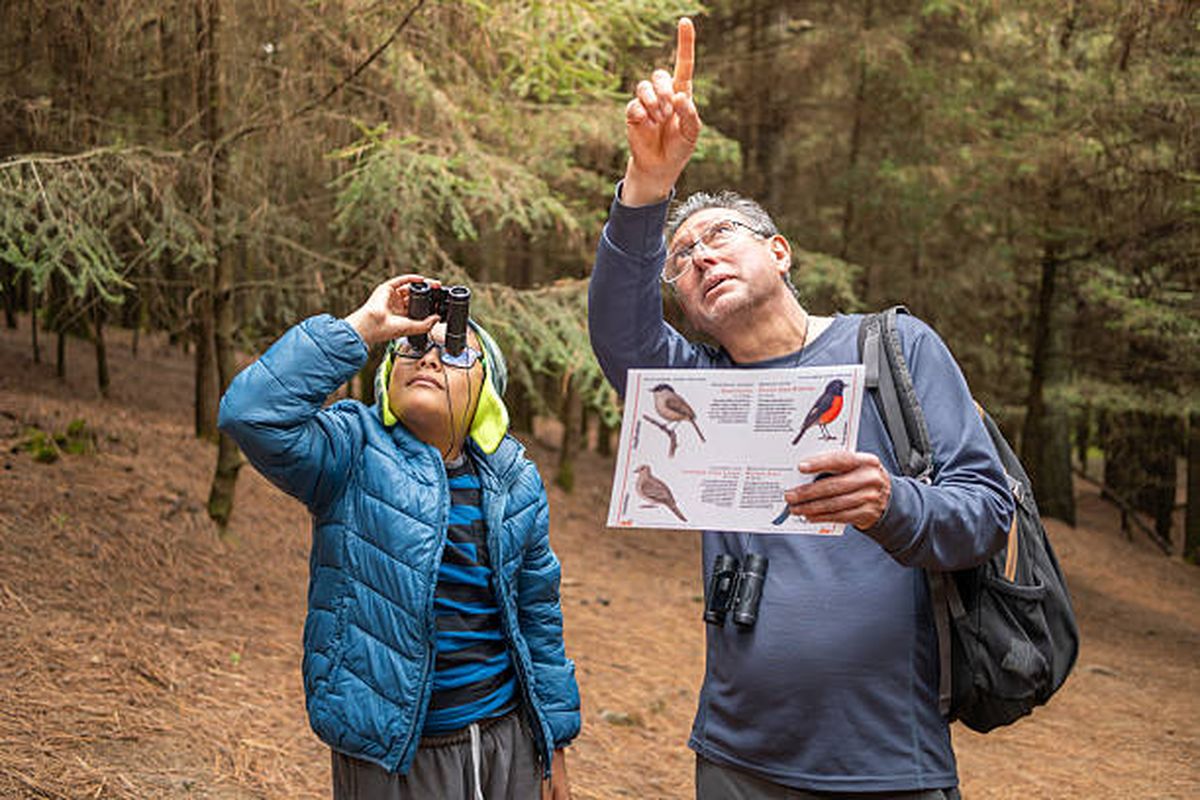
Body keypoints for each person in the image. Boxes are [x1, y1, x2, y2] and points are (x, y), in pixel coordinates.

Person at [587, 18, 1015, 800]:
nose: (701, 257)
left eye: (718, 236)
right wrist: (648, 189)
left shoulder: (895, 348)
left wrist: (895, 503)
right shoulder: (699, 386)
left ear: (779, 251)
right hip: (735, 758)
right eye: (681, 260)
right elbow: (618, 330)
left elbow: (986, 514)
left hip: (889, 761)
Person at [219, 275, 578, 800]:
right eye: (414, 347)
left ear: (486, 393)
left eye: (454, 352)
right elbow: (250, 414)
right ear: (388, 376)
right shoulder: (352, 450)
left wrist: (553, 745)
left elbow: (539, 619)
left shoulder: (514, 479)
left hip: (509, 740)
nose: (429, 359)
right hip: (395, 752)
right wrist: (364, 328)